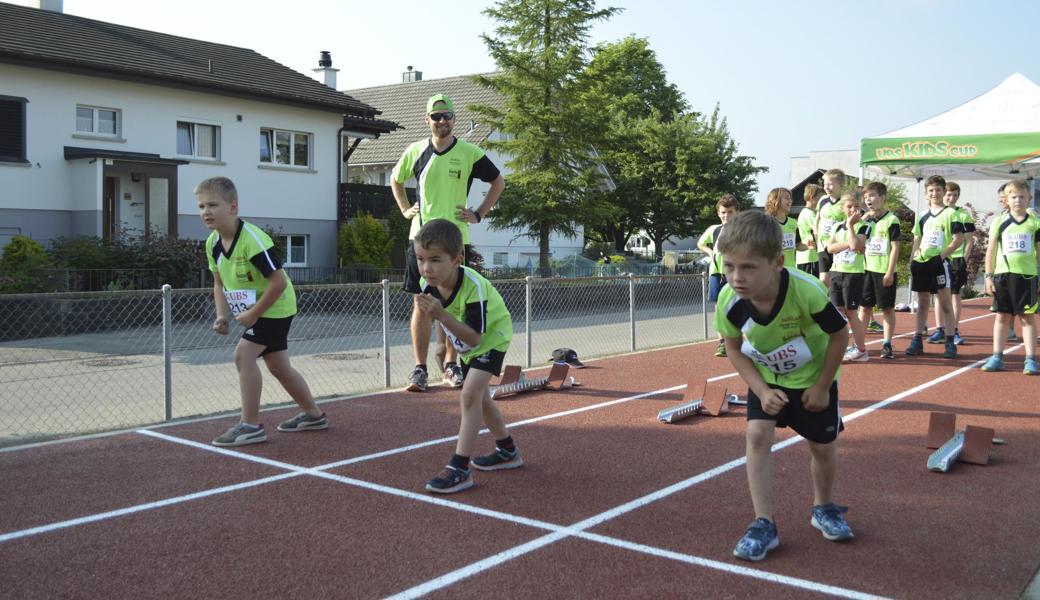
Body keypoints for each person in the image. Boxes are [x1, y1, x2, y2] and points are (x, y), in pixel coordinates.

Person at [714, 210, 854, 562]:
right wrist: (760, 391)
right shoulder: (729, 302)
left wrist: (823, 386)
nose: (736, 277)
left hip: (813, 380)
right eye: (729, 266)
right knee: (757, 436)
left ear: (777, 262)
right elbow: (733, 348)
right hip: (767, 380)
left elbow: (840, 335)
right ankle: (763, 523)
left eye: (748, 268)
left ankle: (823, 507)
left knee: (822, 447)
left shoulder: (807, 292)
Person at [197, 176, 327, 447]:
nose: (206, 212)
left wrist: (255, 312)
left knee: (243, 356)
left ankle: (250, 425)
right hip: (258, 310)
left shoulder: (254, 240)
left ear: (233, 207)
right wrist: (221, 315)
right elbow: (218, 283)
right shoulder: (212, 244)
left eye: (212, 205)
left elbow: (278, 281)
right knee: (279, 366)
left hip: (276, 306)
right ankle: (314, 415)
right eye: (201, 206)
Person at [392, 93, 506, 392]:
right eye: (436, 116)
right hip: (421, 239)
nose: (441, 121)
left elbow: (498, 182)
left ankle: (452, 365)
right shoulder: (416, 150)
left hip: (455, 241)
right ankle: (420, 369)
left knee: (455, 305)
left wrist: (479, 213)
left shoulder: (469, 152)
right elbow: (395, 179)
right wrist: (405, 209)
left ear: (454, 119)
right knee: (421, 303)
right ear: (426, 119)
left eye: (447, 116)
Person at [412, 219, 521, 493]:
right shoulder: (429, 284)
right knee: (481, 400)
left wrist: (440, 315)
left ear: (456, 259)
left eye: (435, 260)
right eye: (421, 259)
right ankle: (508, 450)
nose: (426, 267)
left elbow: (475, 336)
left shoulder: (473, 286)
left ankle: (459, 467)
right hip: (466, 344)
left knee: (469, 395)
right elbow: (438, 318)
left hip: (491, 338)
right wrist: (440, 345)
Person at [980, 179, 1040, 375]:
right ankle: (997, 356)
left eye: (1022, 197)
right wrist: (988, 276)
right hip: (1002, 275)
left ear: (1029, 198)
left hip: (1027, 276)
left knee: (1027, 317)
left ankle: (1030, 359)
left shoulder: (1035, 223)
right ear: (1006, 199)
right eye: (1013, 197)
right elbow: (990, 250)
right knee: (1002, 316)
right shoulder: (999, 221)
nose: (1018, 200)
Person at [905, 175, 964, 359]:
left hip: (939, 264)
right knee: (922, 303)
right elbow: (917, 238)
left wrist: (941, 257)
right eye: (931, 190)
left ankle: (949, 341)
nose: (935, 193)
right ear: (926, 194)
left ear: (943, 192)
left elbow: (958, 240)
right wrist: (912, 258)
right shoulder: (921, 215)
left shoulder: (951, 214)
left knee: (945, 303)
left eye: (938, 190)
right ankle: (917, 339)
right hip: (922, 263)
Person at [927, 182, 975, 346]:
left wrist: (964, 258)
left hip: (955, 259)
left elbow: (969, 240)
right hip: (938, 258)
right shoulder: (935, 214)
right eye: (949, 194)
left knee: (954, 294)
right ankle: (940, 329)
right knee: (939, 295)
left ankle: (954, 330)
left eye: (955, 195)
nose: (951, 198)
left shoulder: (963, 215)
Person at [857, 182, 902, 359]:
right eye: (866, 197)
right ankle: (860, 345)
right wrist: (862, 220)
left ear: (882, 198)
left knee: (887, 309)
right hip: (865, 270)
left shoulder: (892, 220)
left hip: (883, 271)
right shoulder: (865, 220)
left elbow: (896, 247)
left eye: (873, 196)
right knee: (864, 308)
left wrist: (890, 271)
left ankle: (887, 343)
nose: (868, 199)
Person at [827, 191, 871, 362]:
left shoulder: (864, 226)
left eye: (856, 207)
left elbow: (855, 245)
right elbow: (829, 248)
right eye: (849, 206)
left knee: (851, 312)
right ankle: (839, 347)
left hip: (853, 274)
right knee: (837, 312)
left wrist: (851, 226)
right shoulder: (837, 226)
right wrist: (849, 245)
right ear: (842, 208)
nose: (853, 210)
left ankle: (861, 350)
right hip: (837, 271)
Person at [698, 193, 739, 357]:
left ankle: (737, 339)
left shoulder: (741, 229)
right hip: (716, 273)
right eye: (723, 212)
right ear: (718, 213)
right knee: (718, 307)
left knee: (736, 307)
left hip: (735, 273)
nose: (726, 215)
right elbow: (700, 243)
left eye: (730, 212)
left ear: (736, 212)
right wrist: (710, 252)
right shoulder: (713, 229)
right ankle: (722, 343)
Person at [814, 169, 847, 289]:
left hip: (839, 246)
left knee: (837, 279)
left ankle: (838, 304)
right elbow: (818, 218)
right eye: (825, 184)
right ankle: (826, 303)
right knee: (823, 279)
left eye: (830, 184)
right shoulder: (823, 200)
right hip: (823, 245)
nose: (827, 187)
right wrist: (816, 232)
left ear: (841, 185)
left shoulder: (845, 202)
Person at [764, 187, 806, 268]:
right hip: (772, 269)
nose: (790, 201)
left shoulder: (793, 222)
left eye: (790, 198)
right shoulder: (766, 222)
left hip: (791, 269)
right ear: (775, 200)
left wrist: (807, 246)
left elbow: (797, 245)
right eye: (787, 198)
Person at [796, 184, 822, 277]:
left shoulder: (809, 212)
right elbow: (820, 229)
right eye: (820, 197)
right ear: (812, 197)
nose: (822, 200)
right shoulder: (809, 213)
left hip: (810, 257)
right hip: (809, 257)